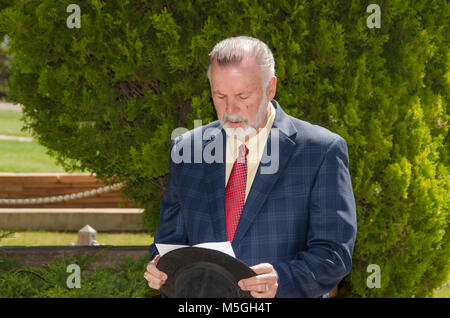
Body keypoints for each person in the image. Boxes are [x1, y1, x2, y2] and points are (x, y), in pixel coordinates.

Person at [144, 36, 357, 298]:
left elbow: (334, 254)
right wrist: (160, 267)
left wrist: (281, 279)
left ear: (270, 88)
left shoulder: (320, 151)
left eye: (243, 96)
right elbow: (169, 242)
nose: (230, 109)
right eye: (220, 96)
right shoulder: (187, 150)